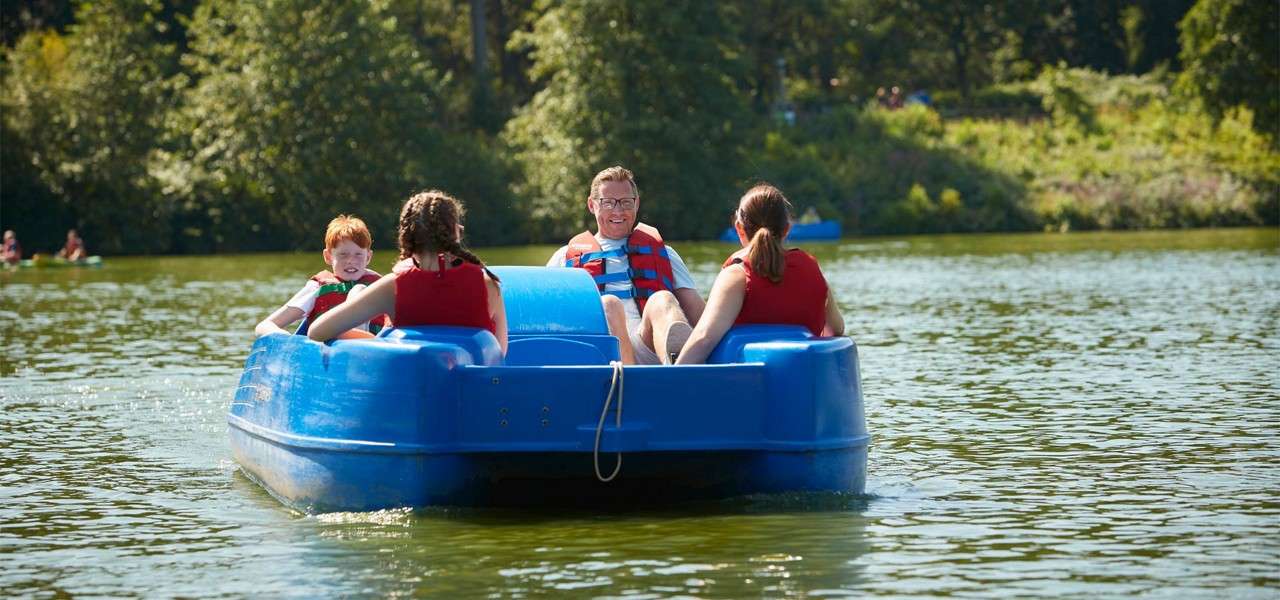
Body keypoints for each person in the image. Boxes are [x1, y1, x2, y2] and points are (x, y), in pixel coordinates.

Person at [307, 190, 508, 355]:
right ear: (457, 231)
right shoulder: (489, 284)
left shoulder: (393, 286)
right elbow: (499, 353)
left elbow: (317, 332)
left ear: (406, 237)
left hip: (408, 396)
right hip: (474, 397)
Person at [546, 166, 704, 365]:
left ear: (636, 204)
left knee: (663, 299)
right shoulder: (563, 258)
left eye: (626, 202)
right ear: (592, 205)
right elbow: (546, 319)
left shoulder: (665, 253)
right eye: (608, 203)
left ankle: (680, 372)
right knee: (609, 304)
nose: (618, 211)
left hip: (650, 346)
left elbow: (701, 317)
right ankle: (627, 381)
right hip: (600, 351)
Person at [676, 184, 844, 365]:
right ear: (786, 229)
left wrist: (671, 381)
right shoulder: (812, 268)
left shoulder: (736, 276)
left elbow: (704, 339)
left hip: (746, 385)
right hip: (805, 378)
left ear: (739, 228)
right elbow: (836, 328)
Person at [254, 215, 389, 338]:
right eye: (343, 254)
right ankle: (355, 339)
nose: (351, 261)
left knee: (359, 290)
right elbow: (265, 325)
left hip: (376, 353)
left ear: (368, 257)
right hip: (332, 353)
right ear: (328, 256)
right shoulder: (317, 288)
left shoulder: (381, 286)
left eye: (358, 254)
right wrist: (285, 339)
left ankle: (359, 340)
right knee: (358, 290)